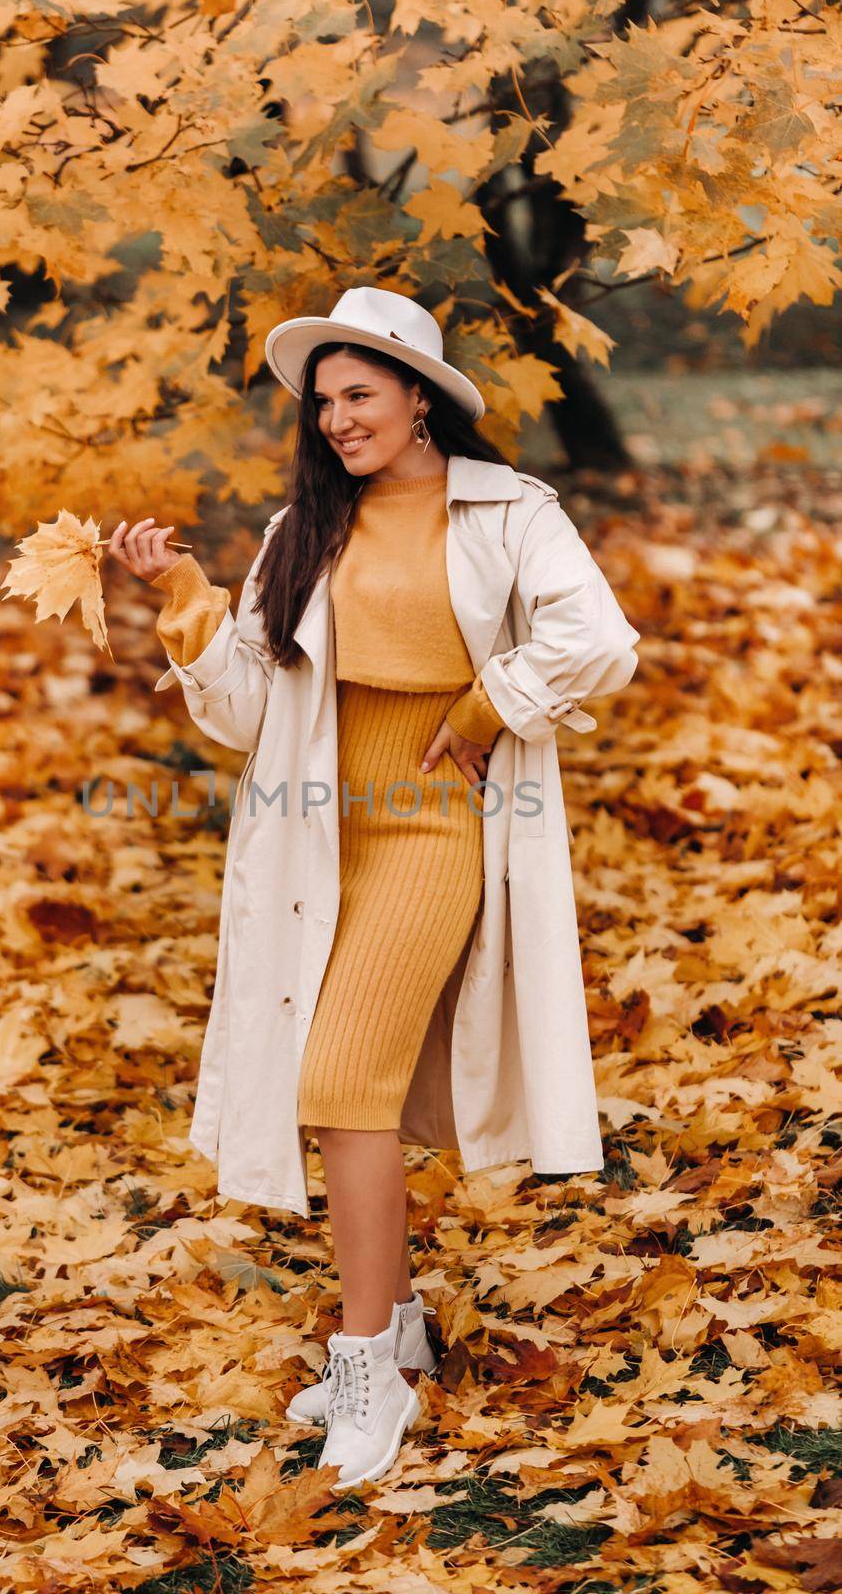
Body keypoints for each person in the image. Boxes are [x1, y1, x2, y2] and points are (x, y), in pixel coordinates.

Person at [106, 286, 638, 1491]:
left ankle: (366, 1373)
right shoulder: (306, 525)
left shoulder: (508, 510)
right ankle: (393, 1325)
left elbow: (597, 639)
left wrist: (486, 700)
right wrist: (182, 599)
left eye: (359, 394)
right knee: (330, 1088)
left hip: (431, 824)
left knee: (342, 1081)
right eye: (322, 402)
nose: (338, 418)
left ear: (418, 395)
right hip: (310, 838)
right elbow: (246, 712)